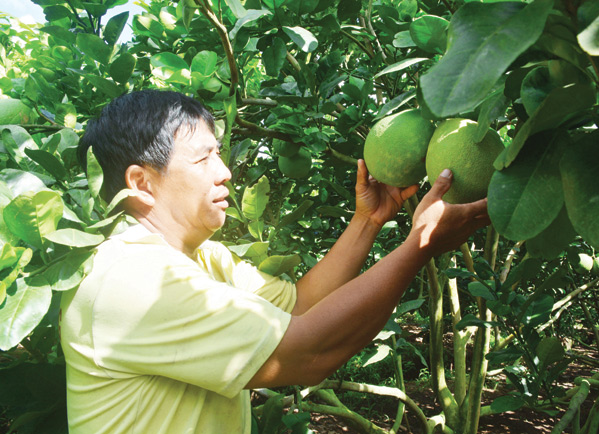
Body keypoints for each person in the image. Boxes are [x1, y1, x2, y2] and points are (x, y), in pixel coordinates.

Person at [60, 90, 489, 433]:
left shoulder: (203, 259)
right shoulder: (132, 279)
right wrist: (421, 244)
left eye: (219, 153)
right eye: (203, 157)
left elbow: (298, 307)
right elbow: (305, 353)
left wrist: (368, 221)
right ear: (141, 182)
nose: (225, 171)